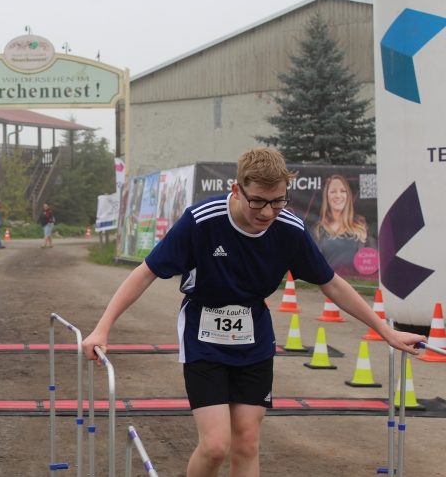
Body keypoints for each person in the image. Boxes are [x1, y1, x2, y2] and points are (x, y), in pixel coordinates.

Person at [81, 148, 424, 477]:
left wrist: (387, 332)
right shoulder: (202, 221)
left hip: (254, 338)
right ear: (237, 189)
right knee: (216, 446)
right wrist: (102, 328)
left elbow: (332, 284)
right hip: (204, 335)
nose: (267, 212)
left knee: (246, 442)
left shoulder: (289, 229)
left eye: (277, 202)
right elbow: (146, 272)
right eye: (257, 201)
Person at [313, 174, 374, 277]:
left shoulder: (362, 227)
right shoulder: (318, 230)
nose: (338, 195)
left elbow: (374, 261)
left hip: (355, 287)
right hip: (327, 286)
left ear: (348, 195)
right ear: (327, 196)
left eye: (342, 191)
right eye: (333, 191)